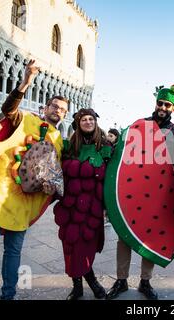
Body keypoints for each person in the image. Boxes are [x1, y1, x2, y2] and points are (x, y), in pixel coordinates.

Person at [0, 60, 68, 300]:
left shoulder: (60, 141)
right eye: (54, 106)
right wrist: (25, 82)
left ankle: (9, 296)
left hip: (23, 205)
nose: (57, 111)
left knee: (14, 252)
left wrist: (52, 190)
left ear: (65, 114)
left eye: (62, 109)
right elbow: (8, 110)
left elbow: (55, 177)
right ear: (45, 107)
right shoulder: (26, 119)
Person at [106, 85, 174, 300]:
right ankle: (121, 280)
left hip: (162, 196)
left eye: (167, 105)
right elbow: (122, 157)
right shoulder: (139, 126)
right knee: (124, 236)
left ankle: (146, 281)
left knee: (153, 236)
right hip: (135, 192)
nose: (163, 107)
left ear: (173, 108)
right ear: (156, 104)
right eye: (160, 103)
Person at [53, 108, 112, 300]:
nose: (88, 122)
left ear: (95, 122)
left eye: (91, 119)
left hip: (93, 207)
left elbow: (111, 179)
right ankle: (80, 285)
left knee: (85, 246)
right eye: (84, 119)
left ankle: (90, 282)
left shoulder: (105, 147)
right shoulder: (69, 147)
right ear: (78, 123)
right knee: (71, 245)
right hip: (70, 207)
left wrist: (108, 207)